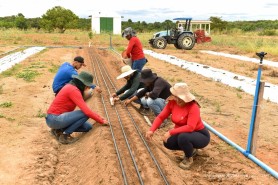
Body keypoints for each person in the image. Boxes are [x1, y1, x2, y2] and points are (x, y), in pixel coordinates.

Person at [145, 82, 210, 170]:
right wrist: (151, 130)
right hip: (183, 133)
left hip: (200, 135)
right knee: (168, 142)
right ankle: (191, 149)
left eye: (181, 98)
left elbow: (190, 127)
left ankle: (188, 158)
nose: (178, 100)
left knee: (183, 137)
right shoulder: (172, 103)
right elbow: (161, 117)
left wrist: (170, 132)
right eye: (176, 97)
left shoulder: (193, 107)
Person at [46, 71, 108, 144]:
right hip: (54, 119)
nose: (87, 88)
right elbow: (87, 111)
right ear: (82, 83)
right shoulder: (73, 90)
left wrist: (99, 118)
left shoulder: (72, 86)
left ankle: (58, 130)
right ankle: (65, 135)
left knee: (88, 127)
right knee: (85, 114)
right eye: (87, 85)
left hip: (55, 119)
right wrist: (101, 120)